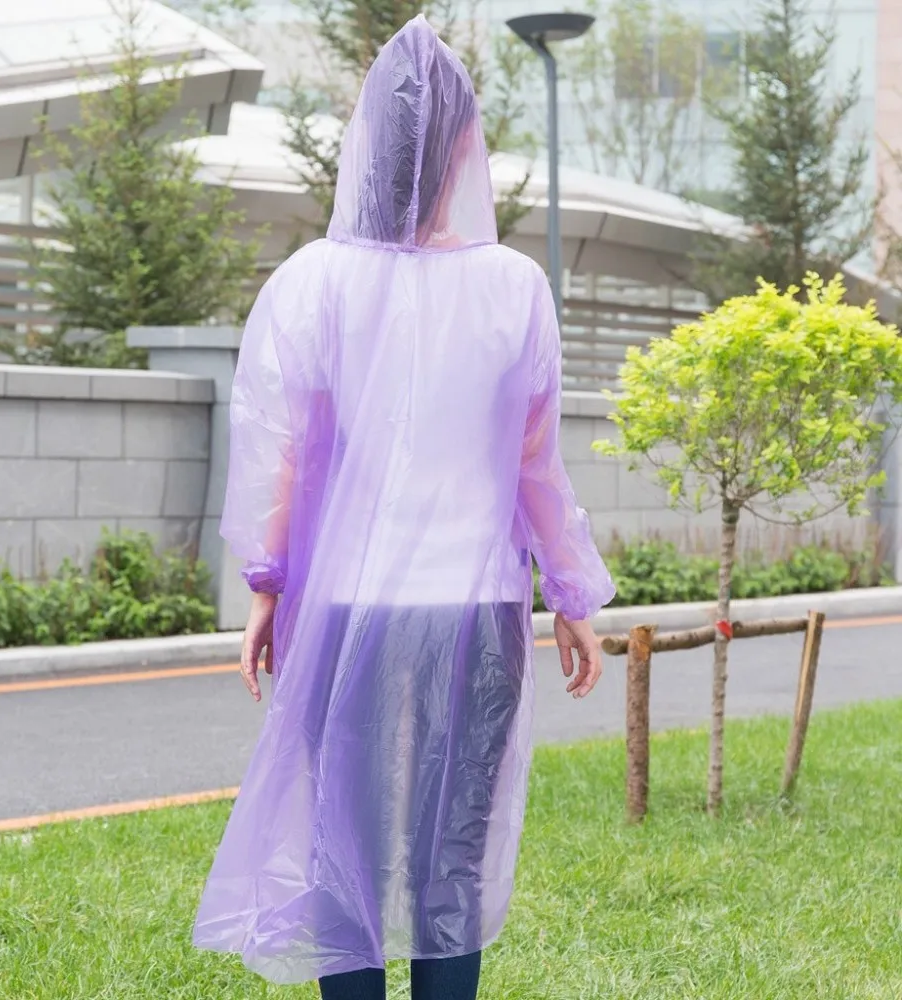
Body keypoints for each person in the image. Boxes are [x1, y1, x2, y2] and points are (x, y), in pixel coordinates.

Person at [193, 14, 615, 1000]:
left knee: (341, 841)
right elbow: (535, 465)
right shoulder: (516, 287)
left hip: (348, 609)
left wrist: (267, 587)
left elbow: (287, 452)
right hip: (474, 610)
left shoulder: (315, 282)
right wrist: (571, 597)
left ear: (366, 143)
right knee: (451, 853)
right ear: (465, 147)